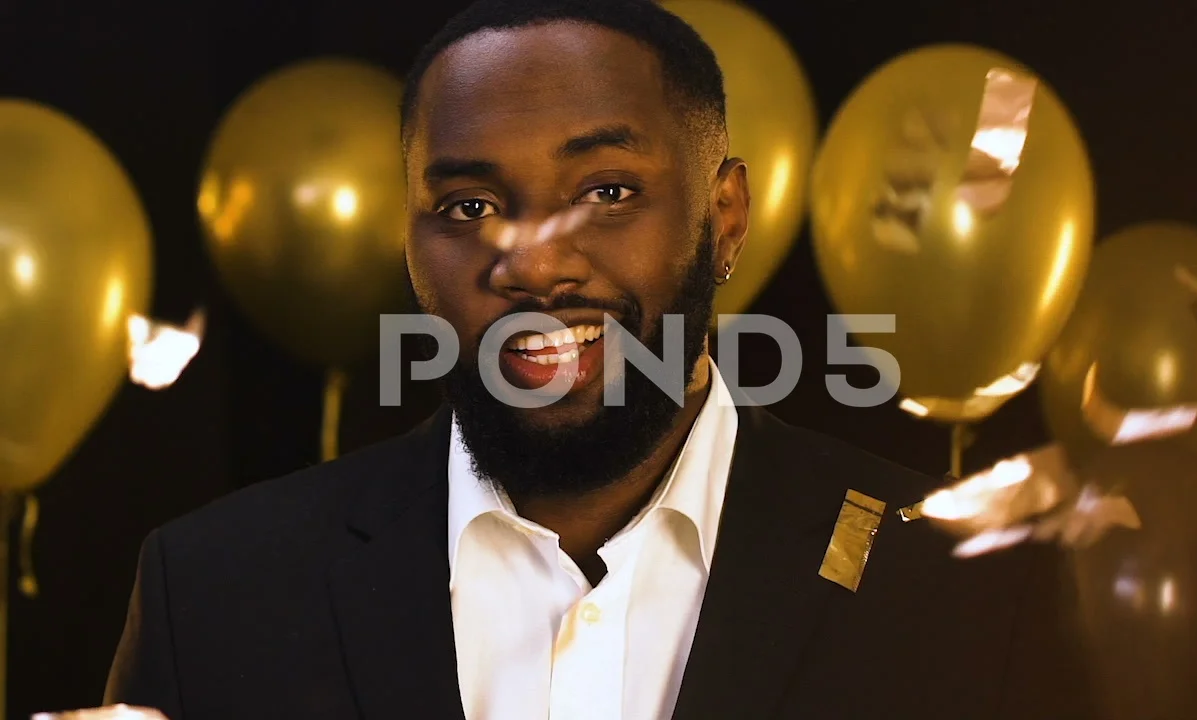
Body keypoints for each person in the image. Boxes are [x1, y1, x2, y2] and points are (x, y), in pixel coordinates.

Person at [105, 1, 1092, 718]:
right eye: (470, 207)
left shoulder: (966, 599)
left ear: (723, 220)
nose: (532, 262)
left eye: (607, 193)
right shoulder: (214, 593)